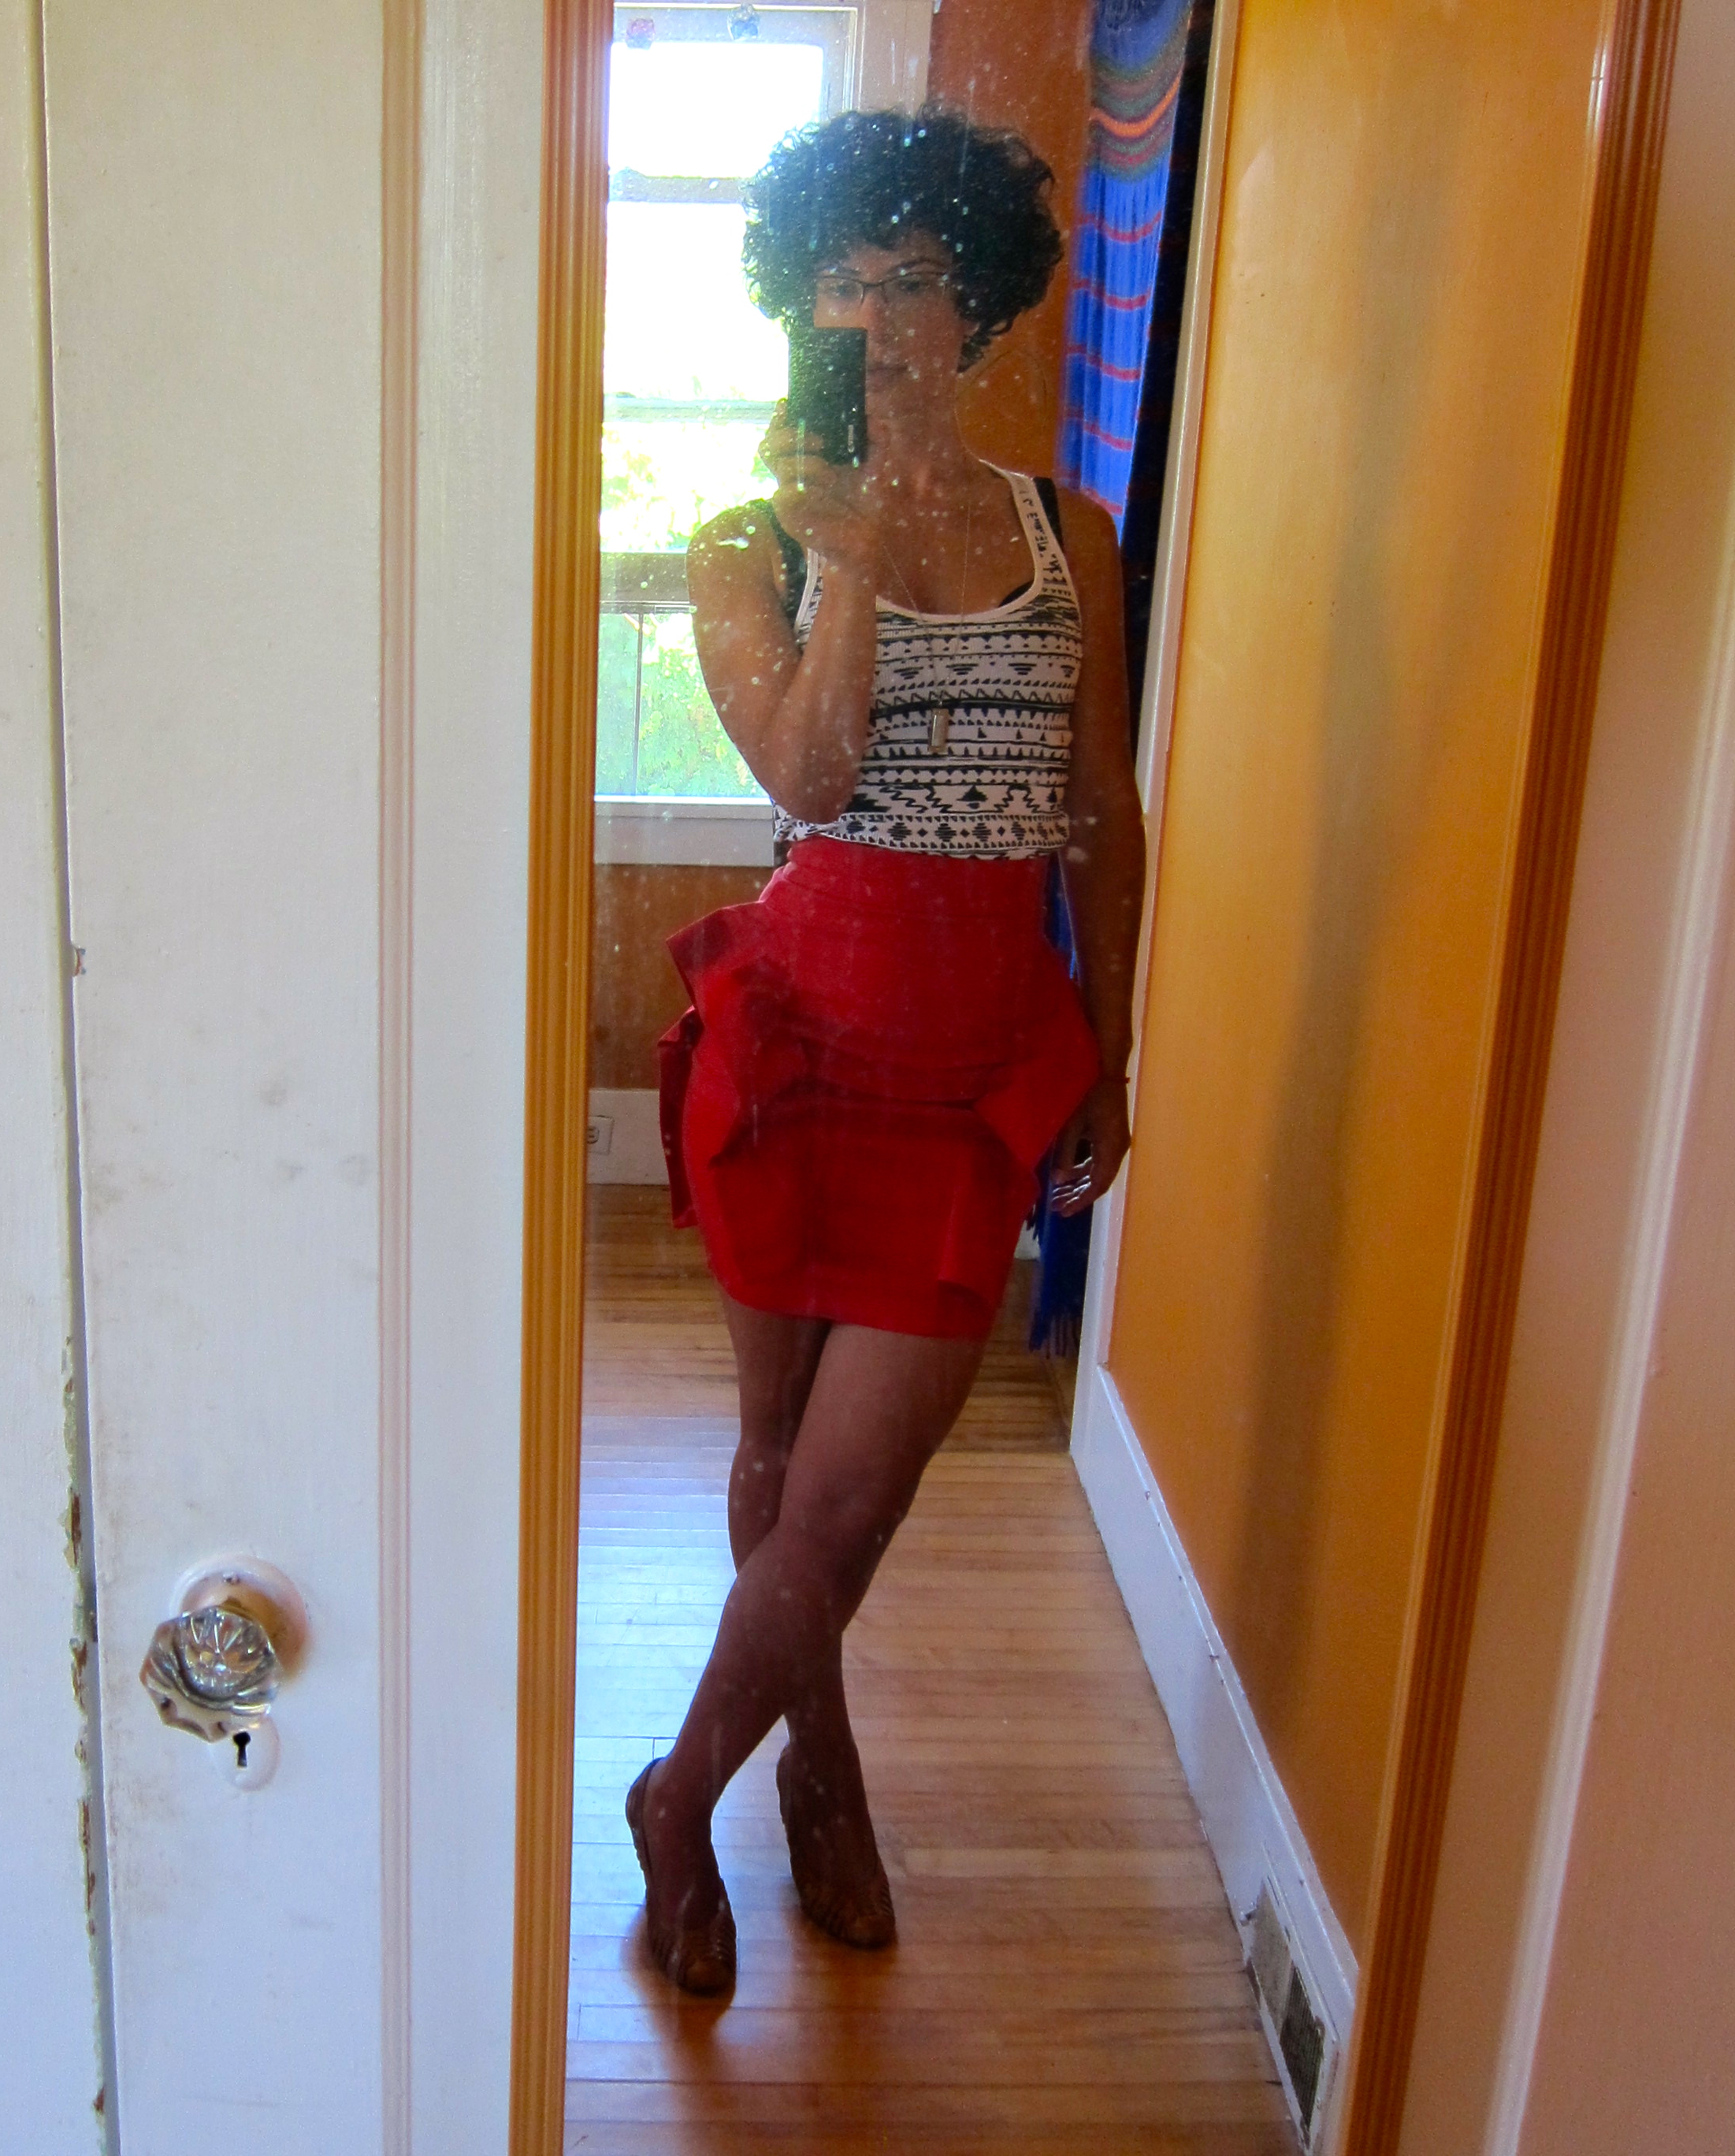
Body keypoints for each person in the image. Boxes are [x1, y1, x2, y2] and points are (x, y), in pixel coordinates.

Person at [625, 106, 1148, 1994]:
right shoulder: (740, 540)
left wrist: (1114, 1042)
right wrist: (846, 555)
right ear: (798, 304)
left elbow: (1098, 807)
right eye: (843, 284)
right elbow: (813, 772)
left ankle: (679, 1792)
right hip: (800, 1038)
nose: (878, 318)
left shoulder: (1068, 531)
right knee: (780, 1454)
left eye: (915, 280)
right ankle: (818, 1764)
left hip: (978, 1057)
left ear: (980, 304)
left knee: (853, 1490)